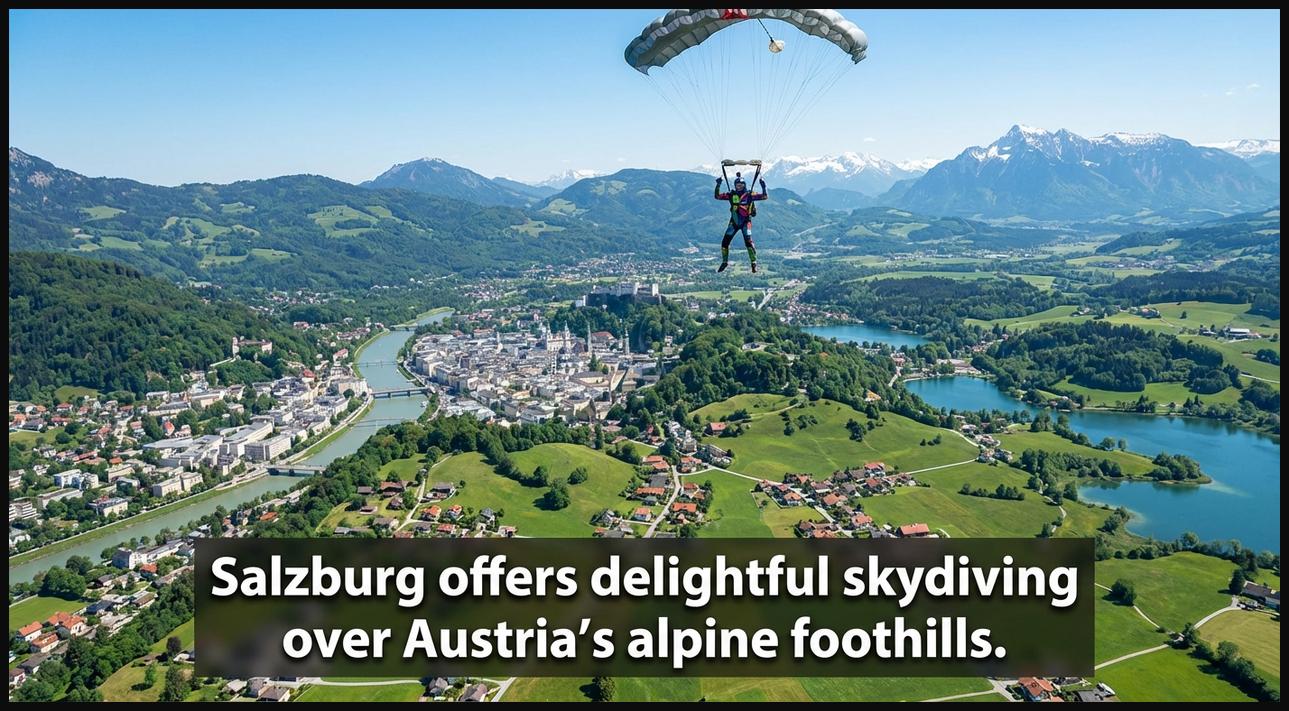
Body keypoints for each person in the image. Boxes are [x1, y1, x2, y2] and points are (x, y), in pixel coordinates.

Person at [714, 172, 767, 273]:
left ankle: (754, 262)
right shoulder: (731, 195)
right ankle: (724, 262)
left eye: (741, 185)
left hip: (745, 222)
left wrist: (763, 186)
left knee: (748, 242)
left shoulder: (750, 195)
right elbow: (717, 196)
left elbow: (764, 196)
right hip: (734, 222)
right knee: (725, 242)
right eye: (737, 185)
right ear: (735, 185)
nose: (739, 187)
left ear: (744, 185)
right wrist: (718, 184)